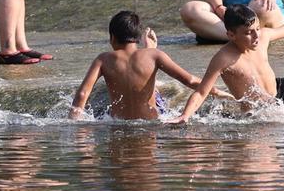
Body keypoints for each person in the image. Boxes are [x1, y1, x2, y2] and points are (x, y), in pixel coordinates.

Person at [170, 3, 284, 124]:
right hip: (262, 112)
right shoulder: (223, 58)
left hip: (282, 89)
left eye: (257, 29)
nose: (257, 36)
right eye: (249, 32)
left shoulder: (262, 37)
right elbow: (202, 91)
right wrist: (185, 115)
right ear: (231, 35)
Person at [69, 11, 232, 120]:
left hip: (117, 122)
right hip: (152, 121)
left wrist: (75, 124)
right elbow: (189, 80)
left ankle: (149, 51)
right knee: (151, 83)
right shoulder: (156, 55)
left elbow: (83, 94)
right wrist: (216, 91)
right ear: (138, 37)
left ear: (112, 37)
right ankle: (149, 48)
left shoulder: (103, 59)